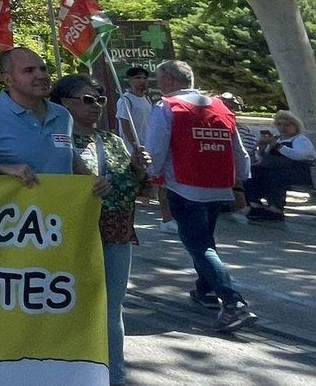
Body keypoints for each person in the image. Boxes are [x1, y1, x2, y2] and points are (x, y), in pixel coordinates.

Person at [145, 59, 256, 331]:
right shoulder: (219, 106)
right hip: (219, 188)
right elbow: (238, 150)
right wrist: (240, 181)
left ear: (169, 80)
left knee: (199, 245)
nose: (158, 85)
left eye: (159, 79)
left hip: (184, 187)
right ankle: (204, 289)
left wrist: (148, 174)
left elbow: (155, 149)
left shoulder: (167, 107)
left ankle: (233, 303)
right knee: (205, 240)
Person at [51, 74, 145, 385]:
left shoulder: (113, 141)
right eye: (88, 100)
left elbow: (129, 191)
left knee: (111, 311)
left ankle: (114, 376)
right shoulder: (55, 141)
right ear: (65, 103)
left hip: (116, 234)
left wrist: (136, 169)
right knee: (70, 309)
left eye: (100, 100)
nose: (97, 107)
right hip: (72, 236)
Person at [0, 47, 75, 186]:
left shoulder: (63, 115)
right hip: (12, 207)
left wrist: (92, 179)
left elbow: (70, 157)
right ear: (8, 79)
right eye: (29, 70)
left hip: (62, 205)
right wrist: (4, 169)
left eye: (43, 69)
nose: (41, 76)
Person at [244, 111, 315, 221]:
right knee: (253, 171)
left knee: (275, 175)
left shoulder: (300, 139)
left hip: (297, 172)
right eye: (279, 124)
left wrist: (278, 146)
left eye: (287, 125)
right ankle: (255, 203)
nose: (283, 128)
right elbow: (263, 159)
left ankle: (276, 208)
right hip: (273, 169)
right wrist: (262, 149)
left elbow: (303, 155)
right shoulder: (276, 139)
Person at [116, 67, 153, 147]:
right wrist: (135, 145)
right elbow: (125, 125)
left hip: (147, 146)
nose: (142, 81)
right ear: (130, 81)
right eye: (138, 78)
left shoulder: (147, 99)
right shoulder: (126, 100)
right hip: (132, 149)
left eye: (144, 78)